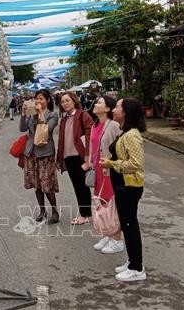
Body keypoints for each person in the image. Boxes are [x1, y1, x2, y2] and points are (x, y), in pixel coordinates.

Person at [101, 97, 147, 282]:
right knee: (127, 225)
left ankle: (137, 268)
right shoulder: (124, 132)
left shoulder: (132, 136)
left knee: (130, 225)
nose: (114, 109)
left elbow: (136, 164)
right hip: (122, 185)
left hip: (129, 186)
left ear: (126, 112)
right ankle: (132, 261)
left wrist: (112, 163)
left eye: (118, 107)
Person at [83, 96, 124, 253]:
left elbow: (119, 148)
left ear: (107, 109)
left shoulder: (113, 125)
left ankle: (117, 239)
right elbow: (92, 148)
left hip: (110, 170)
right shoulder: (95, 126)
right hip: (98, 170)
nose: (95, 104)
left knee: (110, 204)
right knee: (101, 202)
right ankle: (108, 233)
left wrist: (112, 162)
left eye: (100, 102)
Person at [20, 89, 60, 224]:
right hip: (31, 152)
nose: (38, 101)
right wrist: (23, 114)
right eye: (36, 99)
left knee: (47, 184)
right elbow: (22, 128)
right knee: (36, 184)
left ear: (48, 100)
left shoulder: (53, 115)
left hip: (45, 153)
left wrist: (41, 113)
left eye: (41, 99)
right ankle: (42, 210)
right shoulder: (31, 114)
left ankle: (54, 211)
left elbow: (46, 130)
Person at [55, 92, 93, 225]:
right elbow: (61, 140)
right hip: (68, 157)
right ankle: (86, 213)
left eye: (67, 100)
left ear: (74, 101)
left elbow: (89, 137)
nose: (65, 103)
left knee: (82, 186)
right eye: (62, 101)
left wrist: (88, 158)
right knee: (77, 186)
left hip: (80, 156)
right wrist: (59, 158)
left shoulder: (83, 115)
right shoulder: (64, 119)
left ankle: (85, 214)